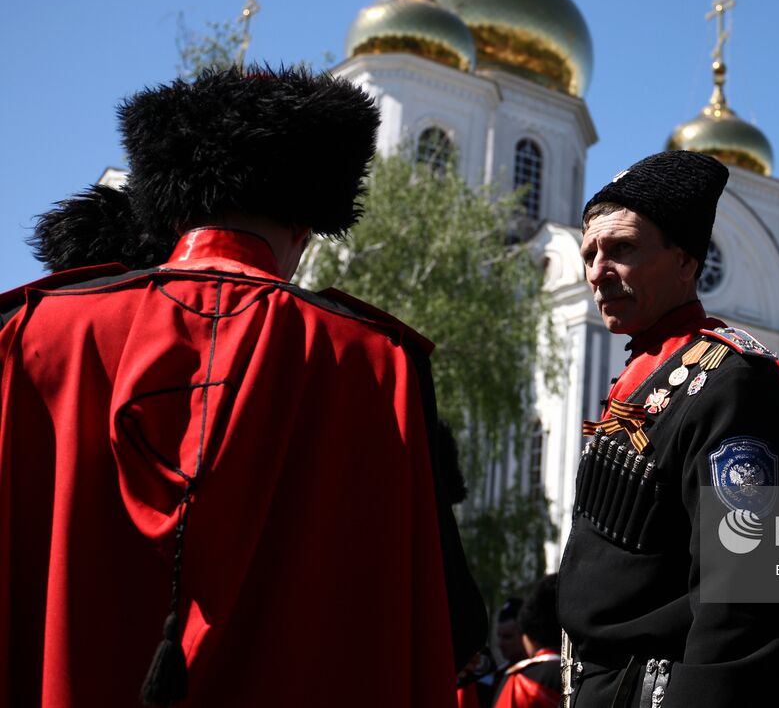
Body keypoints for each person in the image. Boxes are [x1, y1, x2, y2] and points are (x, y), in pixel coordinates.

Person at [0, 66, 485, 707]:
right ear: (303, 229)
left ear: (171, 210)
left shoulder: (33, 330)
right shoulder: (377, 359)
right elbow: (444, 619)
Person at [555, 150, 779, 708]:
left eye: (622, 249)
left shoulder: (731, 381)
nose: (598, 270)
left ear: (687, 262)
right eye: (590, 253)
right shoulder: (644, 376)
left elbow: (746, 599)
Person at [493, 575, 563, 708]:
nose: (501, 644)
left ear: (527, 636)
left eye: (508, 637)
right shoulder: (588, 674)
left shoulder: (520, 681)